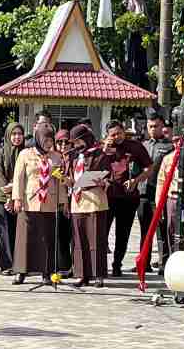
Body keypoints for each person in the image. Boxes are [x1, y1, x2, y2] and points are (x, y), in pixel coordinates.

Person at [12, 119, 66, 286]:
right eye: (46, 140)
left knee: (47, 239)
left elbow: (60, 181)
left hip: (49, 202)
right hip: (29, 201)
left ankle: (46, 272)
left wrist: (63, 201)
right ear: (38, 138)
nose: (49, 144)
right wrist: (17, 198)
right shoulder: (25, 154)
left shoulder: (57, 157)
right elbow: (19, 178)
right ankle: (21, 271)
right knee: (25, 238)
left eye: (51, 141)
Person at [63, 123, 110, 287]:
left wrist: (102, 182)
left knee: (96, 239)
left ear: (86, 139)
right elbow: (72, 180)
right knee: (79, 240)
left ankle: (98, 275)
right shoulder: (73, 157)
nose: (76, 145)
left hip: (95, 202)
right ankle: (82, 274)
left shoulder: (100, 155)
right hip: (77, 202)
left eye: (78, 142)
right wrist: (65, 180)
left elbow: (107, 178)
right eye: (74, 143)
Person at [104, 120, 153, 274]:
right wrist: (104, 149)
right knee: (102, 232)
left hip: (129, 197)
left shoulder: (135, 147)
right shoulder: (103, 148)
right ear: (107, 135)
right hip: (107, 197)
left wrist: (136, 180)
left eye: (119, 133)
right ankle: (99, 266)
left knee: (123, 233)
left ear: (124, 131)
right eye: (113, 134)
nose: (117, 136)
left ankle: (117, 265)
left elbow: (149, 168)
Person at [141, 110, 177, 272]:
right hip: (144, 193)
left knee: (162, 231)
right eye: (150, 126)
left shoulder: (170, 147)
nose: (152, 129)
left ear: (162, 126)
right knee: (144, 230)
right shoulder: (143, 145)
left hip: (161, 193)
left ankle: (164, 264)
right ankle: (144, 262)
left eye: (156, 126)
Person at [0, 121, 25, 273]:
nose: (17, 137)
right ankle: (6, 264)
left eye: (20, 134)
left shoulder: (27, 153)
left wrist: (16, 193)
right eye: (14, 134)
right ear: (8, 135)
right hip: (2, 198)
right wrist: (9, 197)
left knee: (18, 232)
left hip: (21, 198)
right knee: (4, 233)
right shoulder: (1, 153)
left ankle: (20, 264)